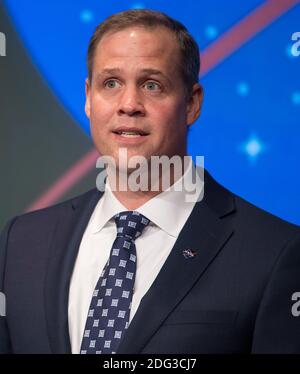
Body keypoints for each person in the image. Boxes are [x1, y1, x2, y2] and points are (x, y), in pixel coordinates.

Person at [1, 9, 300, 354]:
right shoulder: (21, 244)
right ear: (88, 97)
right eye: (110, 83)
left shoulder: (275, 253)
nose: (129, 105)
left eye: (152, 85)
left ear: (191, 103)